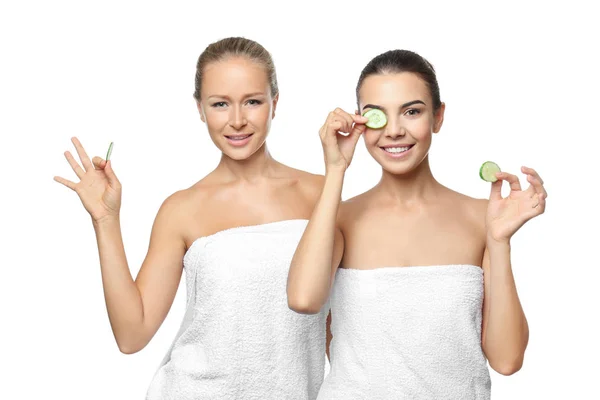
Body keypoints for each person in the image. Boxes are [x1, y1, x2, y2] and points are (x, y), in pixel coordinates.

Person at [54, 37, 329, 400]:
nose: (237, 120)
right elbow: (132, 335)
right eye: (220, 104)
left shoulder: (322, 194)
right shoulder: (181, 209)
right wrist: (106, 220)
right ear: (200, 108)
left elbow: (342, 330)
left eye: (252, 101)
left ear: (274, 104)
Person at [286, 49, 547, 399]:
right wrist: (335, 170)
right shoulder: (341, 219)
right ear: (359, 122)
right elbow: (303, 299)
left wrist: (499, 241)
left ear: (438, 117)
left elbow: (507, 359)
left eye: (412, 111)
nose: (394, 131)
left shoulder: (481, 218)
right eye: (377, 115)